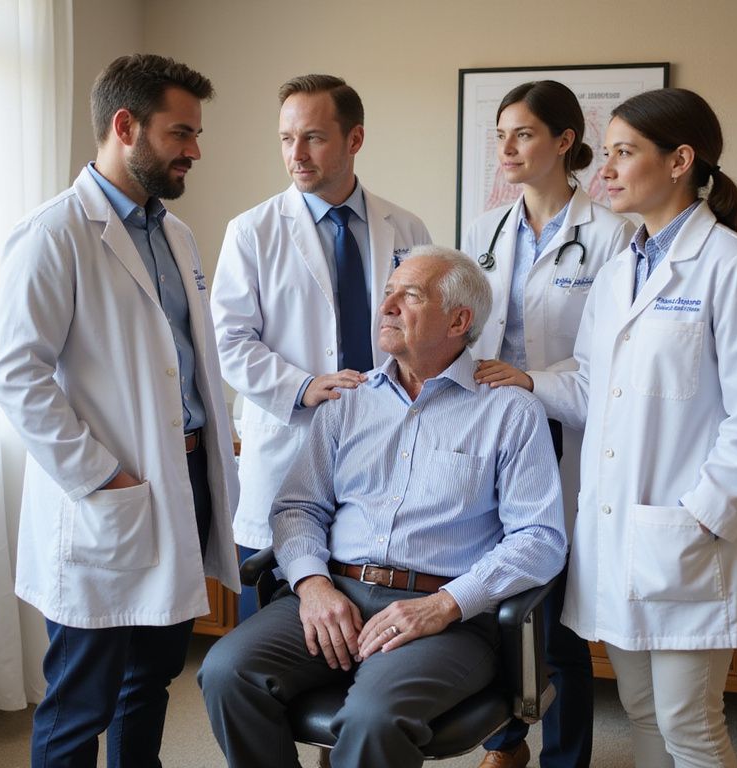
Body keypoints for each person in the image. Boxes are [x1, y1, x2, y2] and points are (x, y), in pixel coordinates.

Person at [198, 246, 568, 768]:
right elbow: (298, 507)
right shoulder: (348, 400)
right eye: (388, 292)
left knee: (374, 717)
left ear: (460, 320)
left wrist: (445, 605)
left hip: (446, 612)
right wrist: (312, 585)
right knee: (226, 672)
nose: (387, 305)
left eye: (410, 295)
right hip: (337, 592)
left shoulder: (510, 411)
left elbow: (540, 539)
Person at [512, 87, 737, 768]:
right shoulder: (615, 274)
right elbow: (588, 390)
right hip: (617, 532)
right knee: (642, 714)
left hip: (687, 538)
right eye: (604, 153)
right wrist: (521, 381)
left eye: (623, 153)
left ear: (679, 161)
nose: (603, 168)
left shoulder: (734, 266)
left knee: (689, 721)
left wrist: (701, 519)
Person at [0, 54, 240, 768]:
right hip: (109, 497)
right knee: (80, 702)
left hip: (181, 485)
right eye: (180, 132)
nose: (195, 149)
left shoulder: (176, 235)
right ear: (125, 126)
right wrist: (101, 477)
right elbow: (17, 375)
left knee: (151, 679)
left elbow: (182, 365)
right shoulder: (55, 233)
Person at [211, 73, 433, 622]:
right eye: (286, 139)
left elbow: (422, 333)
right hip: (294, 444)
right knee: (269, 634)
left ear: (354, 140)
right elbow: (229, 341)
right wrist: (303, 386)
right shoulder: (252, 231)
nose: (296, 154)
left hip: (386, 448)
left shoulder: (405, 227)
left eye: (313, 138)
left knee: (370, 618)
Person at [465, 79, 634, 768]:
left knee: (557, 620)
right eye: (501, 133)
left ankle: (566, 758)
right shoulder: (483, 231)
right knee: (491, 604)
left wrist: (532, 382)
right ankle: (506, 744)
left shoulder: (614, 235)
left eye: (524, 133)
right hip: (492, 439)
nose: (507, 146)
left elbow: (614, 366)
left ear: (565, 141)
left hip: (567, 437)